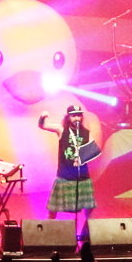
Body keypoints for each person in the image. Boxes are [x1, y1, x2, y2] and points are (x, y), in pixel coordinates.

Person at [37, 103, 97, 243]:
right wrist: (42, 117)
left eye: (79, 115)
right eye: (74, 116)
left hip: (82, 177)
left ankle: (86, 234)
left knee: (89, 208)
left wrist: (83, 157)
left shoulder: (86, 133)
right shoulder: (61, 129)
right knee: (53, 208)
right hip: (65, 175)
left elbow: (93, 151)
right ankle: (47, 235)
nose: (77, 118)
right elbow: (43, 126)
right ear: (68, 117)